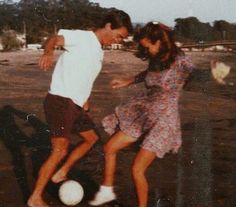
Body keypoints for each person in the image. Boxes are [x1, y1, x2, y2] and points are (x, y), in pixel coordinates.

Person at [27, 10, 132, 207]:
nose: (119, 40)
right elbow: (53, 38)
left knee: (91, 139)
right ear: (109, 26)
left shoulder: (99, 51)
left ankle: (61, 173)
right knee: (59, 149)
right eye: (119, 35)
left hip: (75, 104)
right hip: (60, 100)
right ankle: (35, 198)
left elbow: (84, 75)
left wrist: (85, 99)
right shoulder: (82, 37)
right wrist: (48, 52)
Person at [89, 22, 194, 207]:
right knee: (109, 148)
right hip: (143, 113)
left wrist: (217, 74)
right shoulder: (156, 59)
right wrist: (126, 81)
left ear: (160, 42)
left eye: (148, 46)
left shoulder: (181, 62)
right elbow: (146, 74)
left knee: (137, 169)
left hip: (163, 122)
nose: (147, 51)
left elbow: (199, 75)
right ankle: (106, 191)